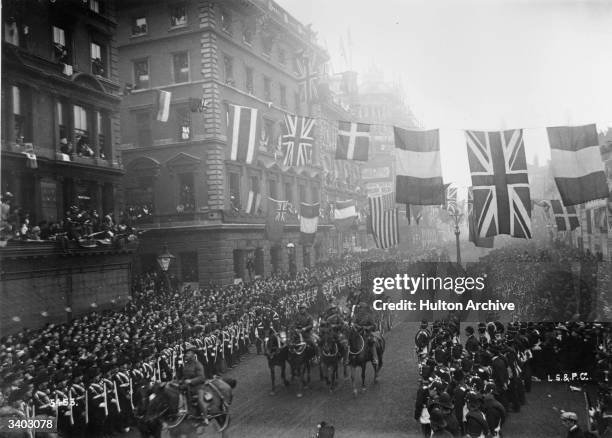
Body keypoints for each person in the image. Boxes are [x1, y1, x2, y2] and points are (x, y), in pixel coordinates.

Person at [180, 343, 208, 424]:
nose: (186, 355)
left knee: (200, 400)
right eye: (186, 353)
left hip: (199, 386)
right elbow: (184, 376)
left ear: (193, 354)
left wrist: (191, 381)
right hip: (188, 387)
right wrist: (181, 381)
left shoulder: (197, 364)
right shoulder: (186, 365)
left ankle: (205, 417)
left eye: (188, 353)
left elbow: (202, 377)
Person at [353, 302, 379, 367]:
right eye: (359, 308)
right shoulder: (357, 316)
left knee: (372, 342)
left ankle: (374, 358)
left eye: (361, 308)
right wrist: (356, 326)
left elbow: (374, 325)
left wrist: (367, 327)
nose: (360, 309)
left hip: (367, 333)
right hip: (358, 333)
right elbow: (354, 323)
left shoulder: (369, 316)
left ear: (365, 309)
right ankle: (349, 358)